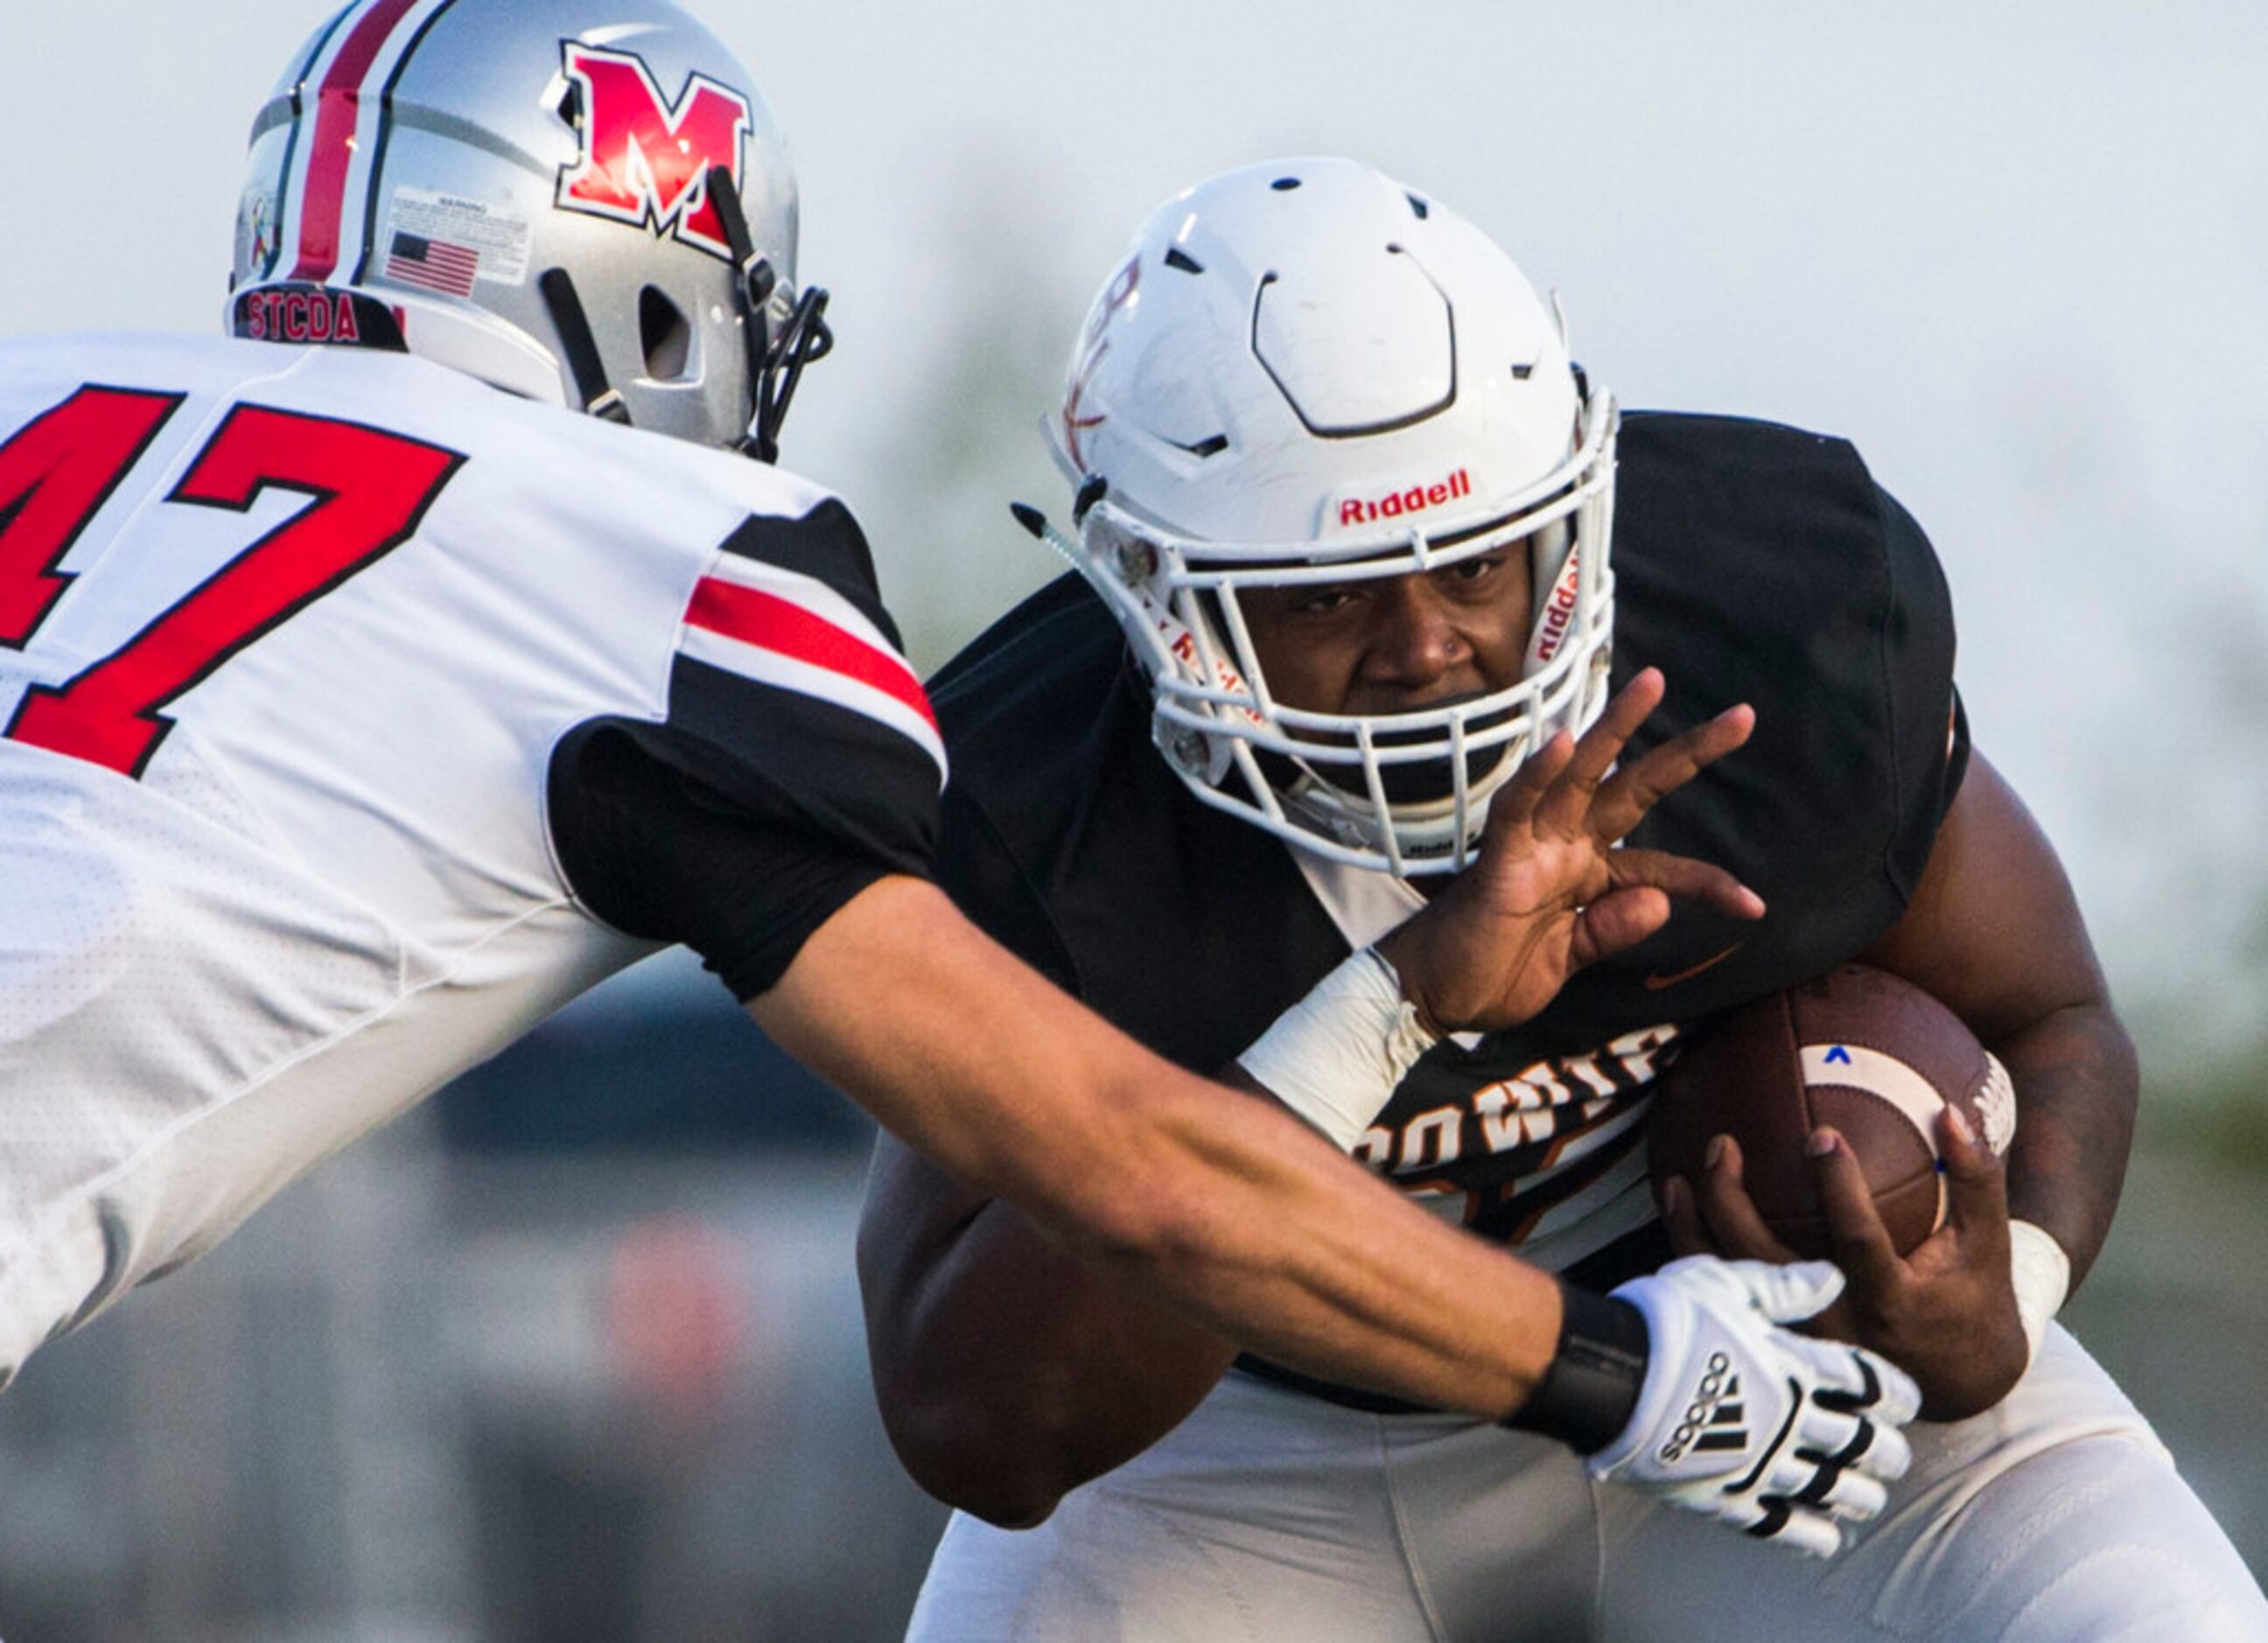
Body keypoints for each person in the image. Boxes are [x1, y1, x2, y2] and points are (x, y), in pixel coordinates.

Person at [0, 1, 1918, 1561]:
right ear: (658, 303)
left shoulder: (34, 385)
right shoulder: (659, 569)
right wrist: (1619, 1375)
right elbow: (1135, 1180)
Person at [858, 157, 2268, 1638]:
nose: (1428, 649)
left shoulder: (1764, 638)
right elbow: (973, 1413)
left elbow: (2055, 1014)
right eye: (1330, 594)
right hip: (1264, 1447)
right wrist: (1394, 1003)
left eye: (1472, 564)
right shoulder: (1035, 819)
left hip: (1790, 1356)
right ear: (1160, 596)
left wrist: (2013, 1287)